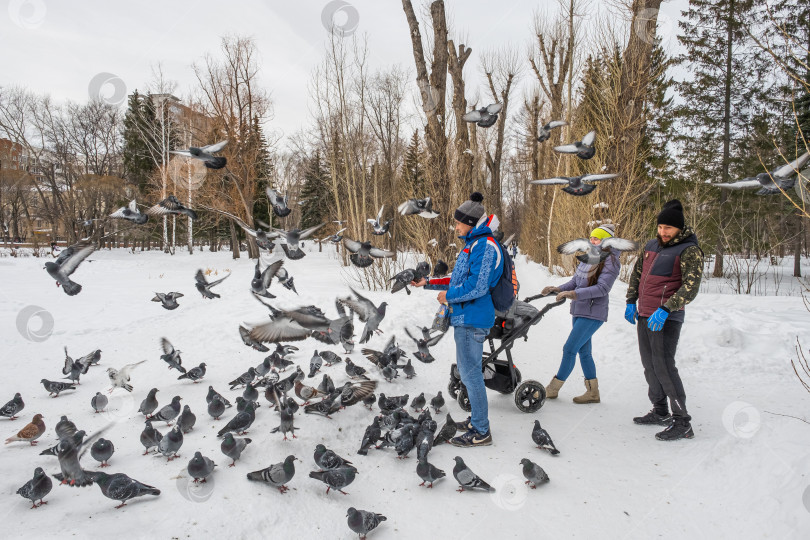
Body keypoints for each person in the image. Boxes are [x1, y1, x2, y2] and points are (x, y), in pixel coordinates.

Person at [411, 192, 503, 447]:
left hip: (473, 317)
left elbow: (477, 287)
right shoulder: (473, 244)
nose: (455, 226)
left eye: (459, 222)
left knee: (471, 374)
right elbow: (457, 278)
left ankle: (481, 431)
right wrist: (428, 282)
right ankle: (476, 421)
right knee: (468, 372)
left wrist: (448, 297)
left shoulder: (485, 246)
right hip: (465, 316)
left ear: (471, 223)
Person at [625, 199, 703, 441]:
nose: (663, 232)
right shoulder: (651, 245)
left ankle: (682, 422)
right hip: (645, 314)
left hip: (666, 318)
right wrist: (630, 300)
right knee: (649, 365)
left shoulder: (689, 250)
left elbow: (690, 287)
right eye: (660, 227)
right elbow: (637, 274)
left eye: (668, 228)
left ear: (679, 228)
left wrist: (667, 308)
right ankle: (660, 411)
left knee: (665, 366)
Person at [541, 224, 620, 404]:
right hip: (580, 309)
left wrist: (574, 294)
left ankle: (552, 389)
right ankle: (593, 393)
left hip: (593, 311)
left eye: (597, 239)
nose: (592, 241)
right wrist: (557, 289)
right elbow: (575, 281)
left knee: (569, 349)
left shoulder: (611, 261)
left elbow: (603, 288)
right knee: (584, 351)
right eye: (591, 238)